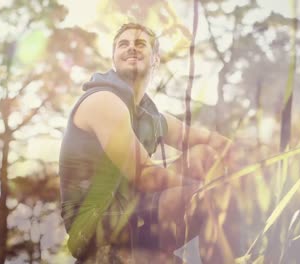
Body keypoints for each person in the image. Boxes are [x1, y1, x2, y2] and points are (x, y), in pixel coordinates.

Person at [59, 23, 239, 263]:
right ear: (114, 57)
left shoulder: (149, 116)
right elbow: (146, 176)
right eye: (123, 44)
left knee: (203, 155)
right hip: (96, 228)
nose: (131, 48)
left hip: (135, 217)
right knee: (208, 195)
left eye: (140, 43)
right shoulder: (104, 101)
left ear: (155, 58)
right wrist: (205, 190)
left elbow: (208, 140)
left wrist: (248, 165)